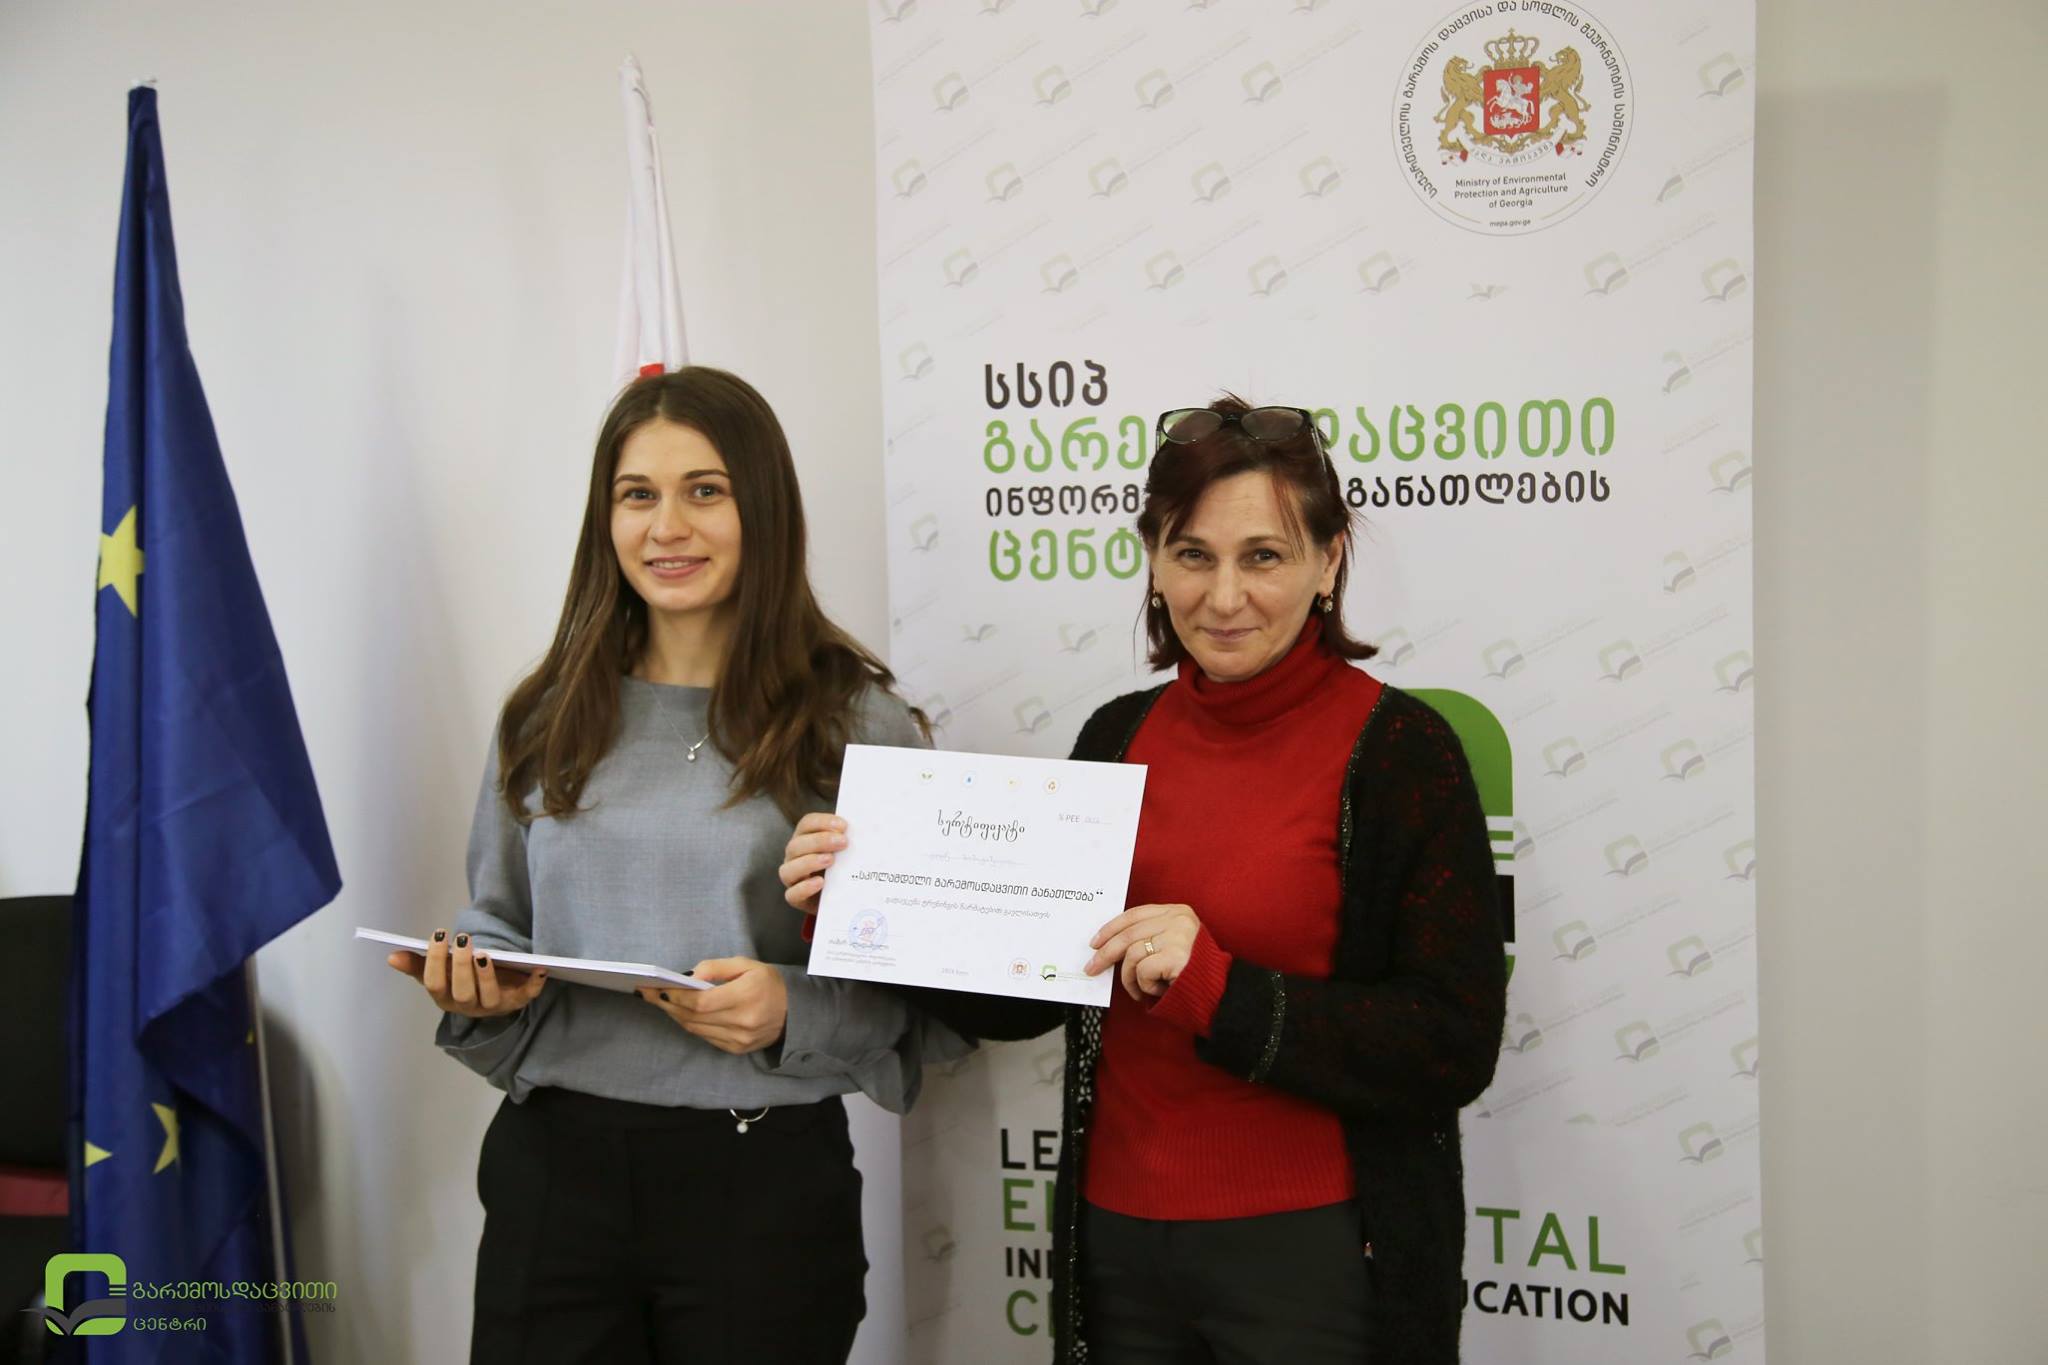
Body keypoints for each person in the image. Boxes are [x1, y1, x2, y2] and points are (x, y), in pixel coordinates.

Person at [780, 396, 1506, 1364]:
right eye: (1192, 554)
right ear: (1154, 562)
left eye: (1264, 556)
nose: (1223, 595)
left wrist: (1219, 990)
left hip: (1317, 1258)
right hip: (1116, 1250)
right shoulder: (1116, 736)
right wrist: (864, 908)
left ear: (1329, 562)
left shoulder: (1404, 751)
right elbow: (1031, 990)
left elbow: (1452, 1041)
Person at [386, 365, 960, 1365]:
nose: (666, 527)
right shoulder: (543, 713)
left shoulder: (855, 722)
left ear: (763, 507)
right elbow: (499, 913)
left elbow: (930, 1001)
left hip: (761, 1188)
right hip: (552, 1175)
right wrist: (478, 975)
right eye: (637, 494)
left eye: (704, 490)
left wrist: (790, 1009)